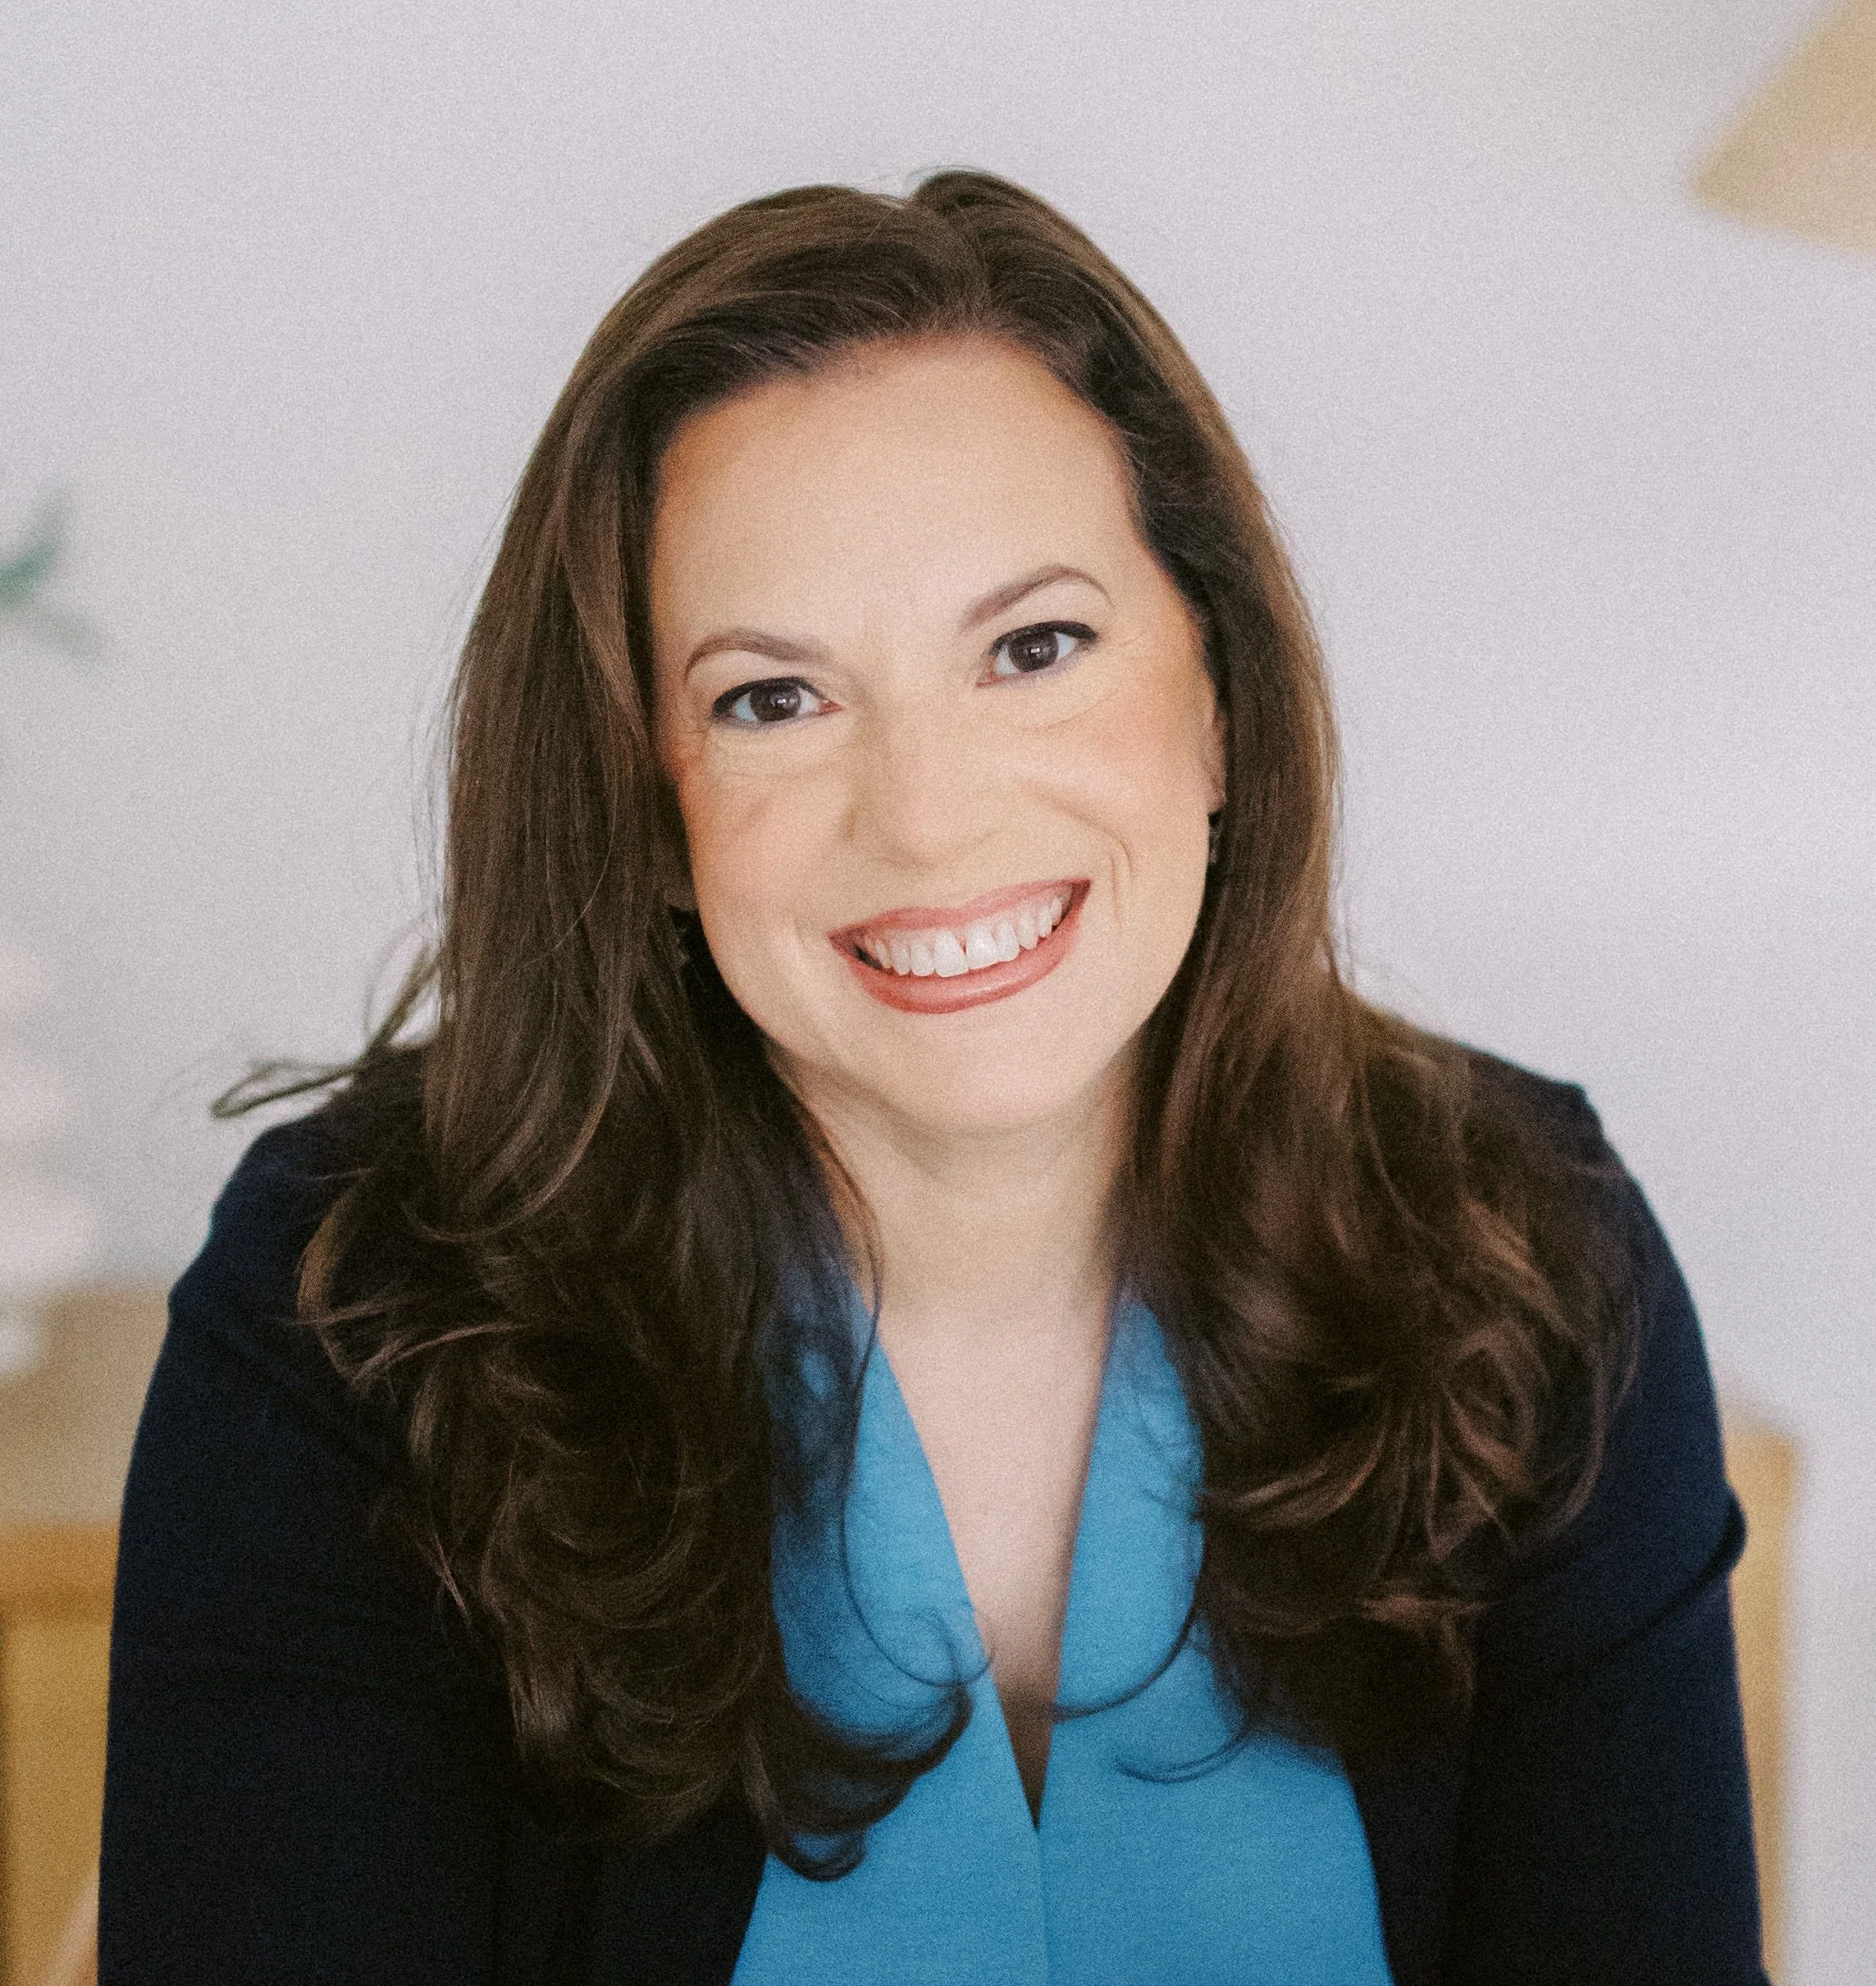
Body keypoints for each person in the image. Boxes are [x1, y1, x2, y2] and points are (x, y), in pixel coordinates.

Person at [100, 170, 1766, 1984]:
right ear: (646, 807)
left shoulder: (1524, 1254)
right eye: (771, 699)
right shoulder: (357, 1310)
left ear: (1217, 695)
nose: (928, 813)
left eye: (1033, 649)